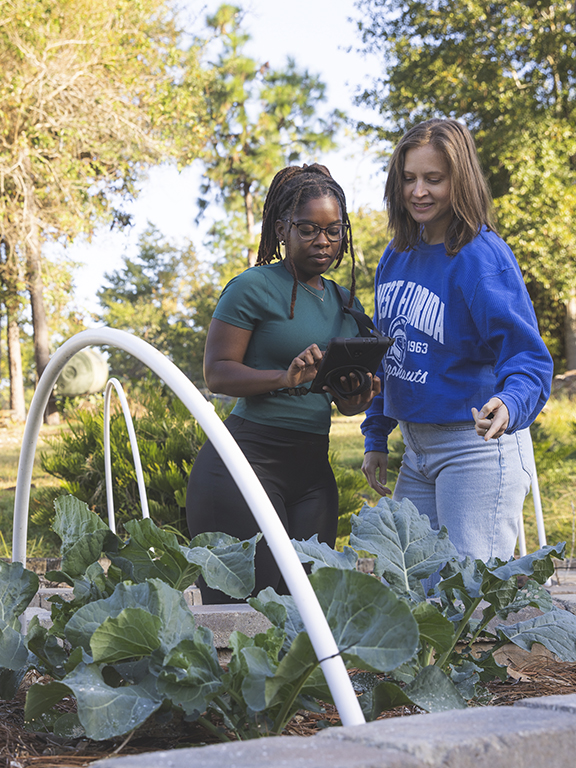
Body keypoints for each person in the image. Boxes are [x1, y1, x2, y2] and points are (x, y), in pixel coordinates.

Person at [361, 118, 553, 571]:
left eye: (434, 179)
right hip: (417, 450)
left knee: (466, 604)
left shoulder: (481, 257)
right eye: (409, 178)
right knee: (408, 591)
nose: (419, 191)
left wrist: (510, 402)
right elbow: (386, 355)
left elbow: (528, 356)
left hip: (476, 449)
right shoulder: (395, 255)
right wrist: (376, 435)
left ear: (459, 180)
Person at [187, 163, 380, 604]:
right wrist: (283, 376)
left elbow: (343, 403)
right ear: (282, 228)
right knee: (246, 615)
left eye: (334, 230)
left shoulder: (345, 302)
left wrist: (357, 395)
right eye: (309, 228)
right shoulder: (252, 287)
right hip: (244, 465)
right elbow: (216, 373)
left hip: (312, 471)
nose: (323, 241)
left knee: (307, 610)